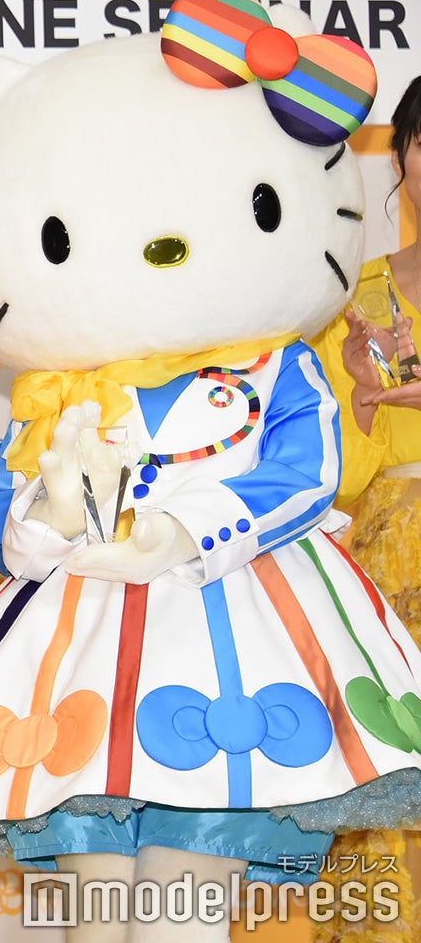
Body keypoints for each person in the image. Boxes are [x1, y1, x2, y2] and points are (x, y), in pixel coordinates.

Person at [311, 74, 421, 943]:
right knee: (372, 790)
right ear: (400, 158)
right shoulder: (357, 297)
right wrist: (359, 395)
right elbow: (335, 478)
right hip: (383, 572)